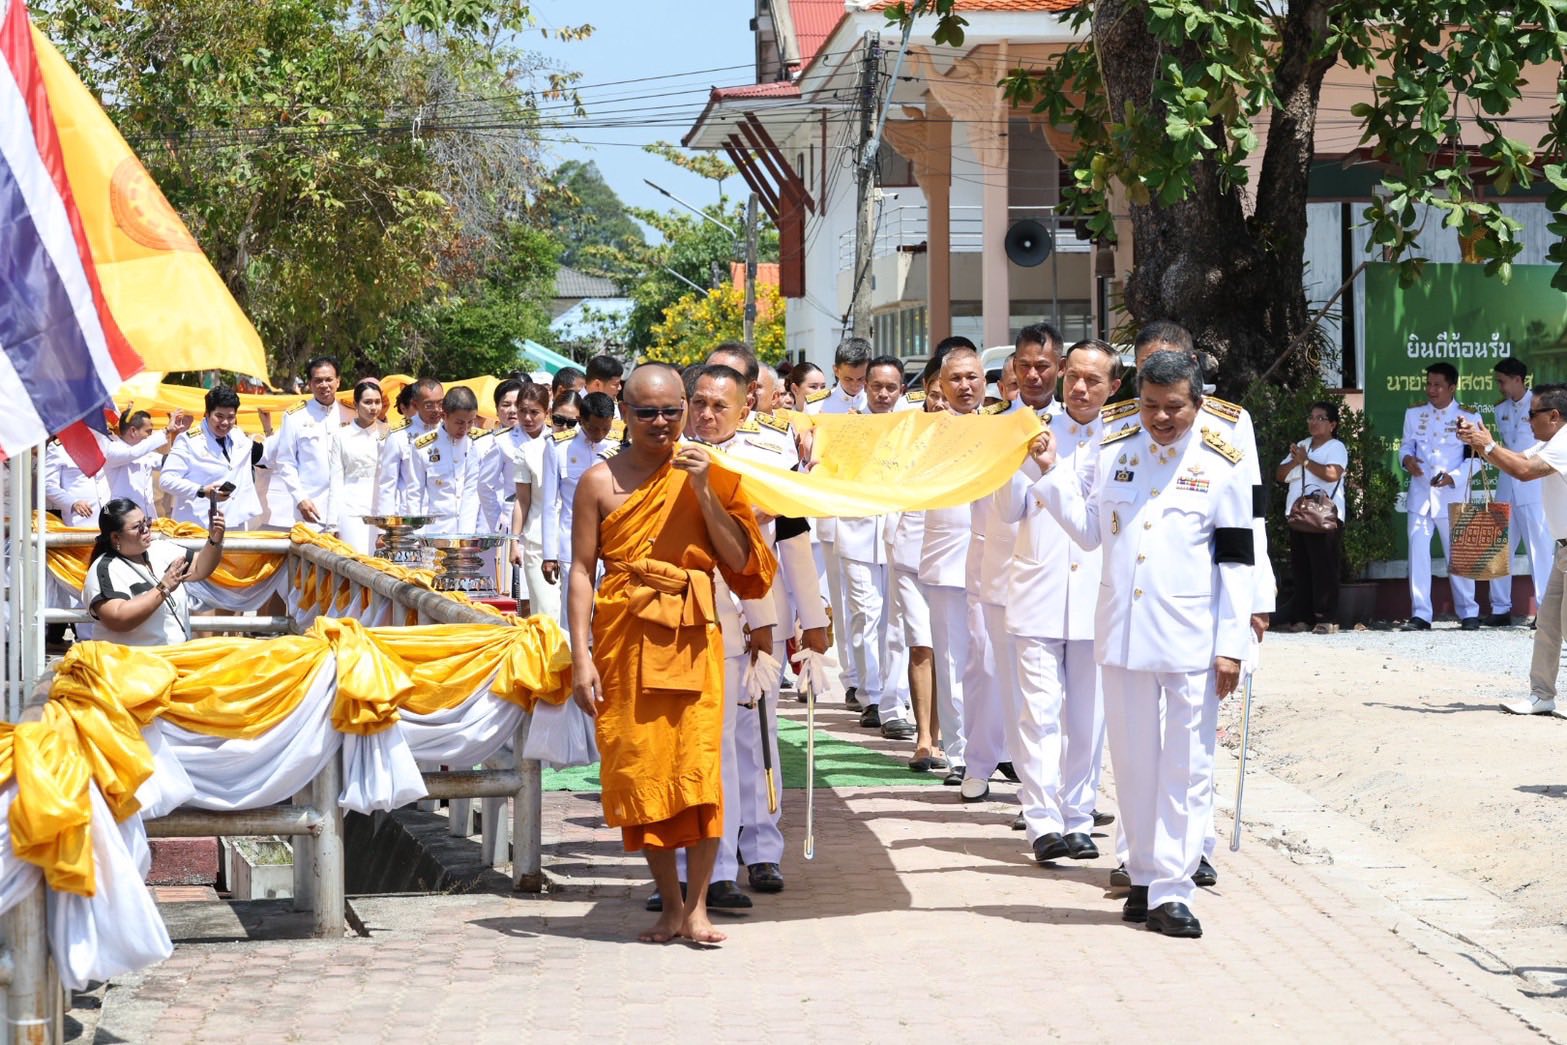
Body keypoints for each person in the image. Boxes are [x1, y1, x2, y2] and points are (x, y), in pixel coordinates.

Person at [1034, 351, 1254, 938]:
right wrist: (1051, 473)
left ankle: (1174, 890)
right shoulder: (1115, 449)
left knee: (1186, 768)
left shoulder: (1222, 463)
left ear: (1197, 404)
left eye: (1173, 407)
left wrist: (1232, 644)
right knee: (1132, 767)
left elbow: (1238, 563)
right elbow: (1088, 532)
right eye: (1151, 405)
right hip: (1124, 636)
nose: (1160, 418)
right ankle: (1144, 876)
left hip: (1191, 641)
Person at [569, 363, 776, 945]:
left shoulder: (713, 472)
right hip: (626, 639)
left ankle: (698, 907)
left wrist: (705, 490)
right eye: (646, 413)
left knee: (700, 769)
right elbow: (582, 570)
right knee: (641, 765)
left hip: (693, 637)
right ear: (623, 414)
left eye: (670, 411)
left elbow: (742, 563)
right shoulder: (598, 482)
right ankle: (669, 903)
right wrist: (581, 655)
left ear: (685, 409)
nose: (661, 423)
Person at [1000, 338, 1120, 860]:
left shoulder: (1124, 440)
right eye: (1074, 377)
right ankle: (1042, 820)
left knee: (1087, 720)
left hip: (1097, 595)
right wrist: (1020, 456)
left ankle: (1078, 816)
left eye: (1094, 380)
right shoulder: (1031, 428)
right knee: (1039, 713)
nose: (1080, 388)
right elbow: (1007, 509)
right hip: (1039, 590)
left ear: (1114, 387)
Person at [963, 325, 1063, 803]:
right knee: (998, 679)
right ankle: (980, 763)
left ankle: (1048, 792)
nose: (1034, 375)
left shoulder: (1079, 423)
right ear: (1011, 372)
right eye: (1025, 366)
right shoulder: (993, 424)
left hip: (1061, 574)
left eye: (1043, 366)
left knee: (1052, 694)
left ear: (1059, 368)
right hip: (1004, 566)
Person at [1456, 386, 1567, 714]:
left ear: (1554, 416)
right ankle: (1542, 695)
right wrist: (1482, 442)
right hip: (1563, 551)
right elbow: (1518, 459)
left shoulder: (1564, 442)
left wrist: (1487, 445)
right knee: (1548, 625)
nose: (1528, 420)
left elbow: (1525, 472)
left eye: (1533, 414)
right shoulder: (1550, 441)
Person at [919, 340, 987, 786]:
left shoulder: (1004, 425)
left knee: (991, 662)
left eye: (971, 377)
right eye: (955, 379)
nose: (964, 386)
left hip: (997, 561)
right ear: (940, 385)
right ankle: (961, 754)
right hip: (946, 561)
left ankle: (995, 748)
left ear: (984, 382)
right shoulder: (925, 432)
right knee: (951, 660)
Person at [1400, 362, 1483, 630]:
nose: (1431, 390)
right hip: (1420, 496)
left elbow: (1478, 459)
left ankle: (1469, 612)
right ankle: (1421, 614)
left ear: (1452, 387)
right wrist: (1407, 460)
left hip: (1452, 496)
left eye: (1437, 385)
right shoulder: (1414, 413)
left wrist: (1454, 477)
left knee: (1459, 555)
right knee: (1418, 555)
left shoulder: (1468, 416)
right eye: (1429, 384)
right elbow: (1405, 447)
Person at [82, 497, 228, 646]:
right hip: (136, 659)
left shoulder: (159, 548)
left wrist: (214, 540)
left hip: (173, 654)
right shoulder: (104, 569)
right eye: (138, 527)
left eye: (146, 522)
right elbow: (118, 619)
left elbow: (199, 568)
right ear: (115, 537)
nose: (146, 529)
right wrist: (163, 587)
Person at [1488, 357, 1552, 626]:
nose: (1500, 387)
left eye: (1502, 381)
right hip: (1506, 485)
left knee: (1539, 549)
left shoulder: (1540, 406)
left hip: (1533, 486)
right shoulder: (1500, 408)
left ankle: (1545, 612)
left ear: (1518, 379)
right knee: (1499, 548)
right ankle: (1499, 608)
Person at [1277, 401, 1348, 634]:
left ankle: (1326, 618)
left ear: (1332, 424)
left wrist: (1306, 462)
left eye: (1320, 418)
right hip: (1299, 513)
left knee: (1324, 568)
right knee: (1302, 568)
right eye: (1311, 417)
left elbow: (1332, 474)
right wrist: (1296, 461)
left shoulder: (1336, 447)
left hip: (1324, 516)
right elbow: (1280, 474)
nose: (1313, 422)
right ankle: (1303, 617)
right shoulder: (1302, 445)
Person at [552, 392, 619, 629]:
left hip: (610, 544)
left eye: (605, 428)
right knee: (571, 615)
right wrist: (550, 554)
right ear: (581, 420)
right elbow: (550, 503)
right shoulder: (560, 448)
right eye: (593, 428)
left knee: (606, 613)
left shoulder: (619, 448)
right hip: (571, 542)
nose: (599, 434)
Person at [160, 385, 263, 528]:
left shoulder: (238, 435)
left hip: (235, 524)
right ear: (207, 414)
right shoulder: (188, 441)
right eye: (219, 416)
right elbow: (166, 480)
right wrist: (202, 491)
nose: (225, 423)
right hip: (199, 526)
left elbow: (268, 453)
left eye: (230, 417)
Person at [269, 356, 352, 527]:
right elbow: (285, 462)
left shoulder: (351, 413)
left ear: (338, 381)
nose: (324, 385)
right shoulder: (295, 416)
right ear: (310, 384)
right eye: (318, 380)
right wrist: (300, 498)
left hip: (348, 507)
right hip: (312, 509)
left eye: (329, 379)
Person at [511, 383, 562, 618]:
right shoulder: (526, 450)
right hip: (537, 540)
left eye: (534, 412)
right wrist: (514, 541)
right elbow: (522, 500)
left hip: (569, 539)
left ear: (547, 413)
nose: (528, 418)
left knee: (569, 615)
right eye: (523, 411)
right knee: (545, 612)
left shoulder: (569, 446)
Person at [408, 386, 481, 533]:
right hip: (437, 530)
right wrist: (415, 534)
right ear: (444, 415)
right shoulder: (422, 447)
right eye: (459, 422)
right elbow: (415, 493)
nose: (465, 428)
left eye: (470, 422)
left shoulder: (478, 443)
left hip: (471, 529)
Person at [329, 380, 387, 554]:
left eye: (377, 402)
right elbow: (336, 480)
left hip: (381, 509)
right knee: (354, 559)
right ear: (355, 404)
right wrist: (332, 523)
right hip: (351, 509)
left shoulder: (388, 434)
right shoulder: (341, 435)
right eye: (367, 402)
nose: (373, 407)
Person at [104, 410, 191, 517]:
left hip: (148, 517)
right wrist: (166, 430)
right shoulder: (112, 450)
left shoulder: (144, 452)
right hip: (123, 518)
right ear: (133, 431)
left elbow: (170, 461)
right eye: (148, 431)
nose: (150, 436)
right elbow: (133, 453)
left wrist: (182, 435)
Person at [375, 377, 442, 516]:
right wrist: (387, 522)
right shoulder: (398, 436)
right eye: (429, 405)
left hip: (444, 515)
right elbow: (387, 484)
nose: (436, 410)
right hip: (410, 514)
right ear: (416, 405)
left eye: (440, 403)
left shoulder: (450, 430)